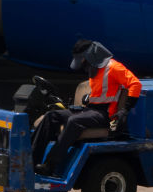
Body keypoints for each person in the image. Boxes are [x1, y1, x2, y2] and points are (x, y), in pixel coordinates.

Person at [33, 39, 142, 177]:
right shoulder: (95, 68)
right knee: (52, 116)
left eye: (83, 59)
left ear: (90, 56)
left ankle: (50, 165)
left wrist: (125, 109)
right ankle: (31, 160)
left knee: (74, 121)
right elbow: (103, 90)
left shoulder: (114, 67)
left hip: (105, 115)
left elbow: (135, 84)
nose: (83, 64)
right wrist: (89, 97)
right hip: (91, 110)